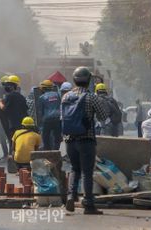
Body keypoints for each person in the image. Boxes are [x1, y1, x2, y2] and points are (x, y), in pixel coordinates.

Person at [62, 66, 107, 215]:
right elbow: (102, 117)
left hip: (69, 140)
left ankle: (70, 196)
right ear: (88, 81)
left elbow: (63, 119)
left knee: (74, 169)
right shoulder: (91, 97)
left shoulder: (66, 97)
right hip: (86, 139)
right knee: (87, 172)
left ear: (74, 80)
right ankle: (88, 205)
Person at [0, 75, 28, 155]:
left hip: (13, 123)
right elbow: (25, 109)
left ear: (13, 86)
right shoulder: (22, 97)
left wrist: (0, 102)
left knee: (13, 141)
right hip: (21, 123)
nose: (7, 87)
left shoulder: (10, 96)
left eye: (9, 85)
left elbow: (4, 109)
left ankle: (12, 157)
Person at [37, 79, 62, 150]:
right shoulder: (57, 95)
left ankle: (48, 152)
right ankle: (56, 151)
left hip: (47, 120)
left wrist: (40, 123)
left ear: (43, 88)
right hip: (57, 118)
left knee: (45, 137)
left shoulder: (41, 97)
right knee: (57, 136)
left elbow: (40, 111)